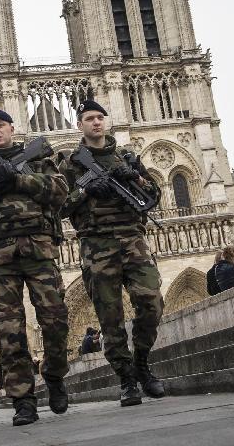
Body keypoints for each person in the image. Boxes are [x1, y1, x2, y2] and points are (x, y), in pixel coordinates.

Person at [0, 108, 70, 426]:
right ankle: (22, 400)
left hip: (39, 251)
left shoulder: (36, 158)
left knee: (56, 320)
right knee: (10, 333)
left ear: (11, 128)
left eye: (0, 126)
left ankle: (54, 376)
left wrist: (19, 178)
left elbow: (60, 193)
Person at [58, 100, 166, 407]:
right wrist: (87, 190)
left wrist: (133, 177)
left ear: (106, 122)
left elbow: (152, 197)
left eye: (99, 117)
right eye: (88, 119)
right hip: (96, 245)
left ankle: (142, 362)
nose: (95, 123)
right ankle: (127, 379)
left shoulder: (128, 157)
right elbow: (60, 207)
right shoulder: (70, 165)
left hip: (133, 240)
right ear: (80, 125)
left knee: (152, 303)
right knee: (110, 317)